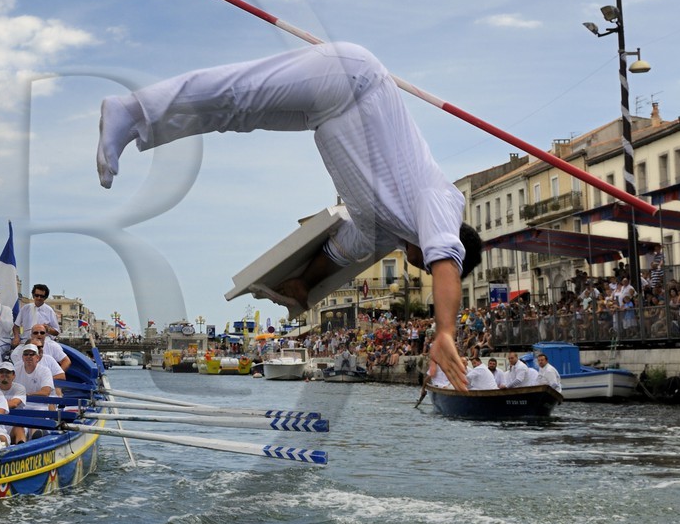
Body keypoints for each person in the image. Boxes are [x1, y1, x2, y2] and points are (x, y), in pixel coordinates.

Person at [97, 41, 481, 390]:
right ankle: (130, 107)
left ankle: (136, 127)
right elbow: (446, 257)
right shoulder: (443, 201)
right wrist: (444, 330)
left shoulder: (385, 234)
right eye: (431, 269)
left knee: (236, 114)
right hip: (353, 80)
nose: (423, 268)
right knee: (237, 89)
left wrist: (302, 286)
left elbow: (338, 253)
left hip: (323, 114)